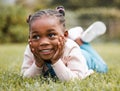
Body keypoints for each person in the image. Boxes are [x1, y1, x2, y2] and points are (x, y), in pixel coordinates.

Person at [21, 6, 108, 81]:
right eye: (36, 37)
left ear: (65, 36)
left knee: (103, 68)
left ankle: (82, 42)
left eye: (51, 35)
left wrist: (56, 61)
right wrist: (38, 63)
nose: (43, 43)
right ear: (30, 38)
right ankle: (76, 38)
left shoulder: (72, 48)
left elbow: (75, 79)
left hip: (84, 57)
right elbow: (25, 77)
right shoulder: (31, 49)